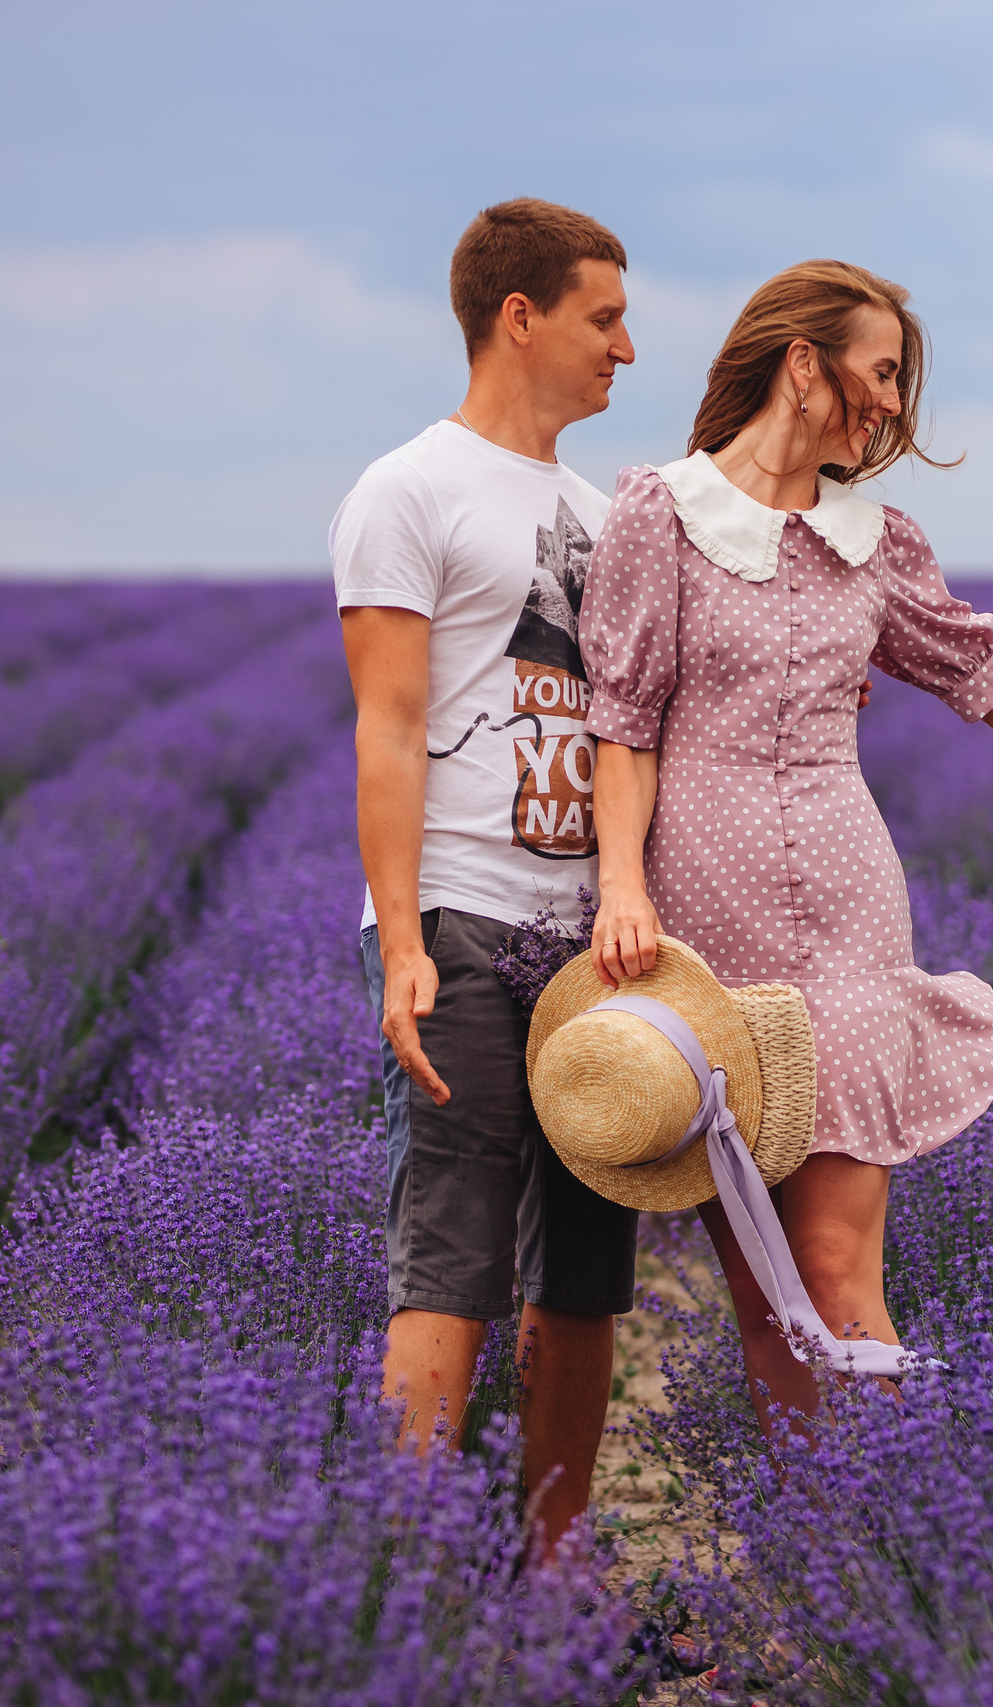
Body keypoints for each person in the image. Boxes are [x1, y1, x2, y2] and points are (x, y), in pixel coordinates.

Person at [578, 259, 993, 1433]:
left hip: (847, 916)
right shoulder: (659, 514)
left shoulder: (875, 540)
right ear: (803, 363)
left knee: (835, 1268)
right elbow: (623, 724)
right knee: (764, 1299)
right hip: (702, 928)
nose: (892, 403)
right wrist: (621, 889)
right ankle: (818, 1572)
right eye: (880, 373)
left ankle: (886, 1529)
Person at [332, 197, 636, 1559]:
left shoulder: (604, 510)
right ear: (521, 317)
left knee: (587, 1263)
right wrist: (401, 939)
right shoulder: (408, 490)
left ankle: (550, 1567)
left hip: (589, 939)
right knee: (448, 1249)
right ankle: (410, 1578)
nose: (627, 348)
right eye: (605, 316)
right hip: (458, 911)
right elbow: (387, 730)